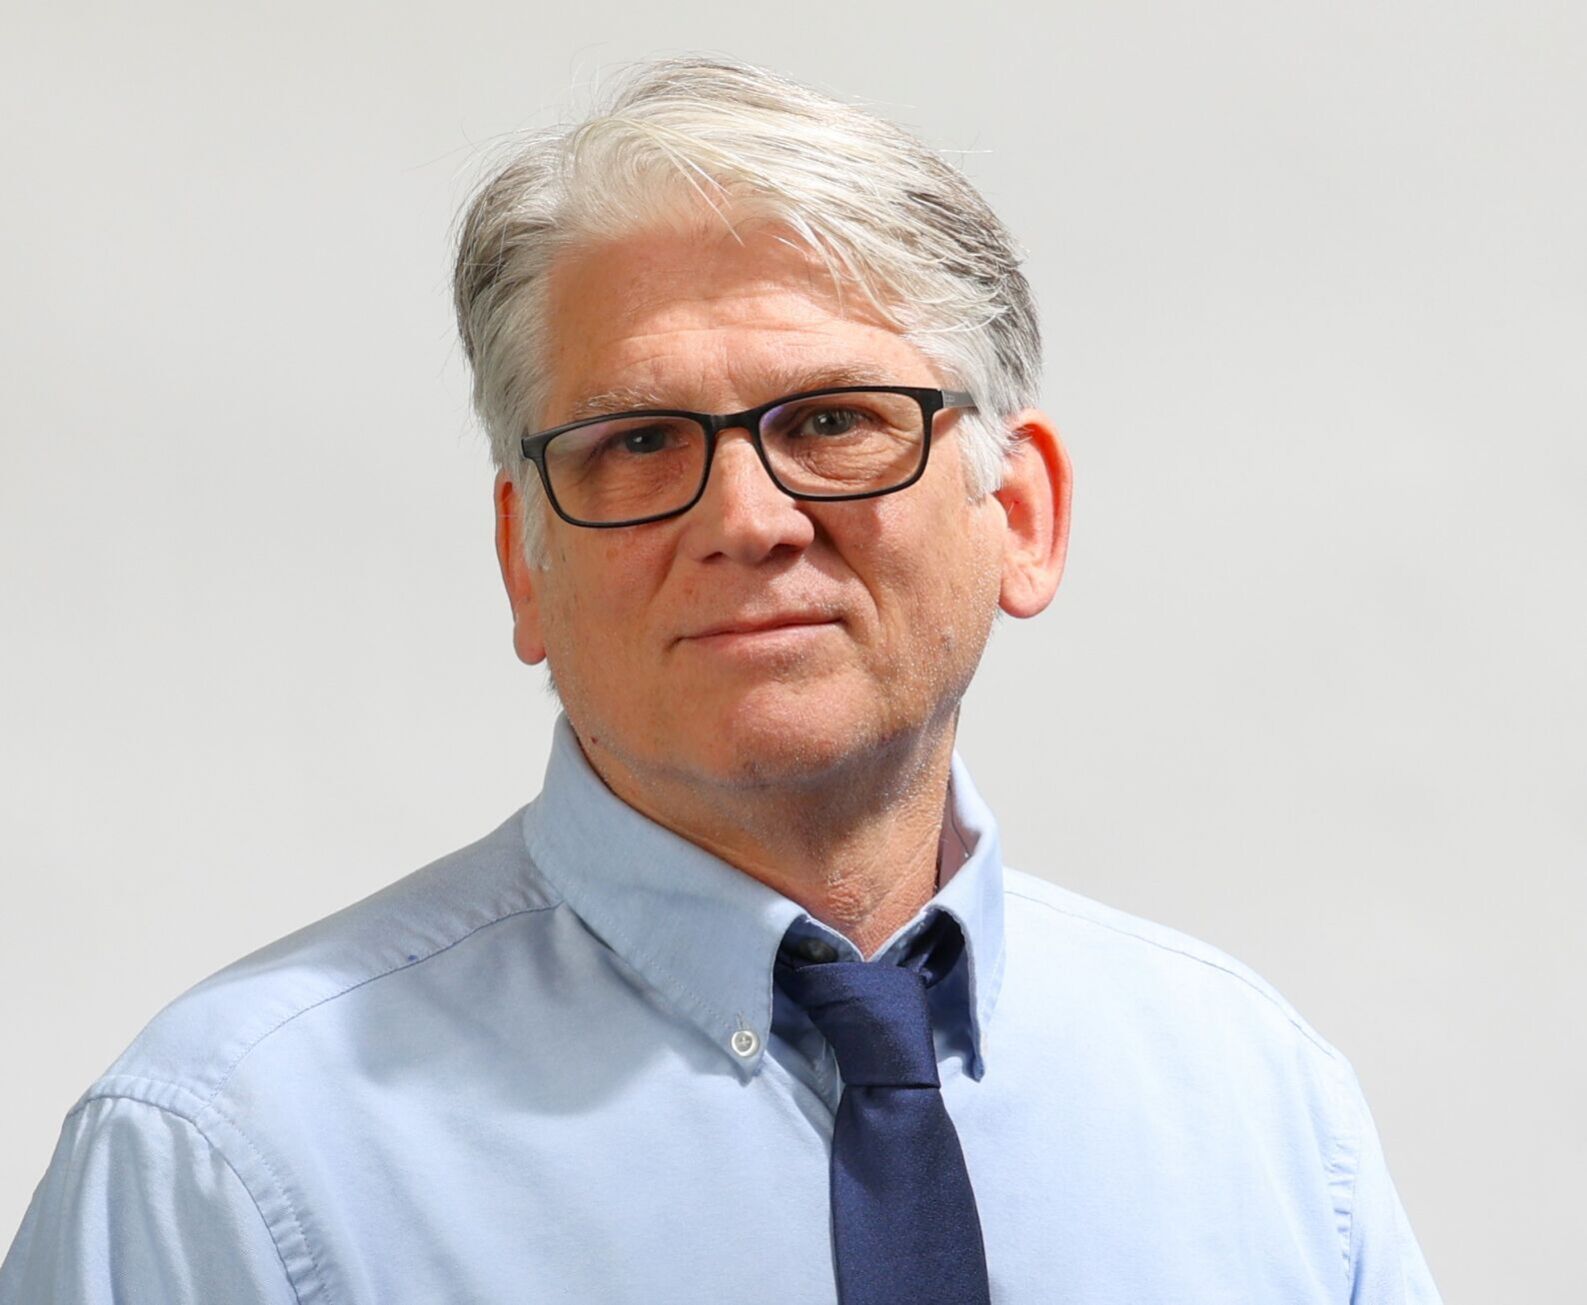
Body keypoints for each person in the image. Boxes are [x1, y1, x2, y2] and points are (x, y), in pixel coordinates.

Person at [0, 56, 1442, 1304]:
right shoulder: (227, 1163)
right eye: (636, 441)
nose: (748, 519)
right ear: (523, 561)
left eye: (833, 421)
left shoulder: (1262, 1113)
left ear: (1021, 515)